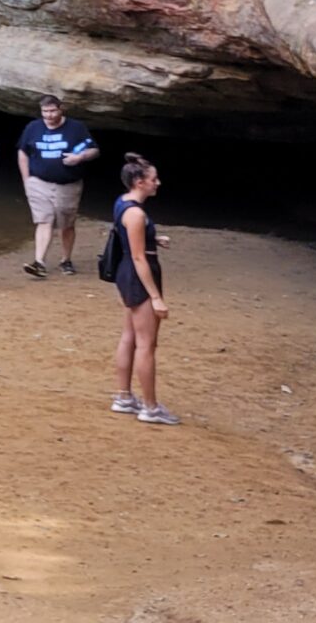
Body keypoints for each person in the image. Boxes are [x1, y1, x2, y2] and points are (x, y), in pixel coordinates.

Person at [108, 154, 178, 426]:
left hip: (126, 274)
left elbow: (127, 237)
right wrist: (156, 298)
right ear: (139, 182)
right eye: (153, 179)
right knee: (147, 345)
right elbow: (139, 258)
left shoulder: (122, 203)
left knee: (129, 337)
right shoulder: (136, 213)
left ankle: (124, 397)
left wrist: (153, 238)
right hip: (138, 276)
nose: (157, 183)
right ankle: (150, 407)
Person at [17, 94, 99, 279]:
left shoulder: (76, 128)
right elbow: (23, 153)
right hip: (39, 182)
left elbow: (94, 149)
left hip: (68, 184)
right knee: (44, 220)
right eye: (45, 112)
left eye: (52, 111)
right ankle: (39, 262)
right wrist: (26, 179)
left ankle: (66, 259)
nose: (48, 115)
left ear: (61, 109)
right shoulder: (33, 128)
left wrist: (80, 157)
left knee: (66, 224)